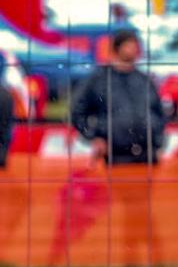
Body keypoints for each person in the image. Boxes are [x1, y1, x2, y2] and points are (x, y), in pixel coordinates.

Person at [70, 29, 166, 166]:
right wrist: (93, 137)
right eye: (128, 46)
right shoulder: (98, 80)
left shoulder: (144, 80)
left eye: (135, 46)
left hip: (147, 155)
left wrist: (158, 142)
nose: (133, 50)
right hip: (112, 156)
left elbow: (159, 114)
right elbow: (76, 111)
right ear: (117, 48)